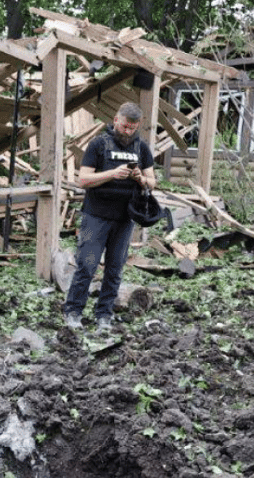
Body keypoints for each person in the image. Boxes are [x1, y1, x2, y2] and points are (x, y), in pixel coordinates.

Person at [63, 102, 157, 331]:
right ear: (116, 120)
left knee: (115, 268)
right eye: (125, 126)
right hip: (95, 216)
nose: (128, 131)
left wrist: (139, 178)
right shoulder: (99, 144)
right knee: (87, 265)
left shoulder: (141, 148)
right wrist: (113, 174)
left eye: (133, 128)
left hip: (125, 217)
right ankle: (73, 311)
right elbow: (82, 180)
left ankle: (104, 314)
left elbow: (152, 181)